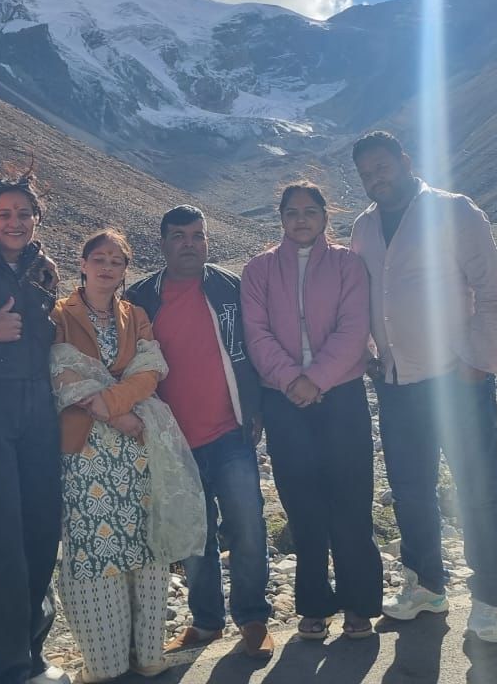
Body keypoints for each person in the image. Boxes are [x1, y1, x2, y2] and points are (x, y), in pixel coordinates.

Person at [349, 131, 497, 643]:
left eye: (382, 166)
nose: (376, 178)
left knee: (478, 490)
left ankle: (490, 600)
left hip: (455, 380)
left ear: (404, 161)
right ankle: (425, 586)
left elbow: (491, 289)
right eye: (366, 173)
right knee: (410, 491)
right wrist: (368, 354)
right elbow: (363, 295)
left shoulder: (454, 210)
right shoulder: (364, 227)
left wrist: (477, 363)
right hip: (397, 383)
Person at [50, 230, 206, 683]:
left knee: (144, 545)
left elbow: (150, 368)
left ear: (124, 270)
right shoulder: (58, 315)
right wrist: (114, 413)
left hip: (138, 450)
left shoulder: (135, 315)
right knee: (94, 548)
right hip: (85, 451)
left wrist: (111, 403)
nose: (107, 267)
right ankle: (106, 663)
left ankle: (148, 654)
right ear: (82, 263)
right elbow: (60, 372)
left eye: (116, 261)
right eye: (99, 258)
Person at [124, 206, 275, 660]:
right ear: (163, 243)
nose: (189, 244)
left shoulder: (229, 287)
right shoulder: (141, 299)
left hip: (230, 434)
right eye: (178, 236)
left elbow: (253, 348)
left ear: (207, 241)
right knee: (195, 536)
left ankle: (253, 617)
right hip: (174, 441)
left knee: (247, 526)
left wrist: (256, 406)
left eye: (197, 236)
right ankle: (206, 621)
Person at [240, 182, 383, 640]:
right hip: (283, 401)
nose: (300, 220)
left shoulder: (347, 265)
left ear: (325, 216)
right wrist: (291, 380)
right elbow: (256, 334)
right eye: (292, 212)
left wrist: (315, 379)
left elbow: (354, 328)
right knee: (302, 503)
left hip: (340, 395)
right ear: (280, 218)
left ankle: (359, 604)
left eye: (309, 211)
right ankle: (315, 604)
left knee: (351, 498)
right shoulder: (258, 269)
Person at [0, 175, 68, 684]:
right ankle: (4, 669)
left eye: (25, 213)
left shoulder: (43, 271)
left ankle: (32, 653)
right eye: (4, 213)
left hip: (39, 411)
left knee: (42, 530)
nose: (15, 222)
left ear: (37, 220)